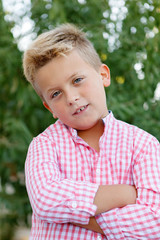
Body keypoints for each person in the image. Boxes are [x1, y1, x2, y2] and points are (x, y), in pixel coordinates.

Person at [23, 23, 160, 239]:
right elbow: (46, 200)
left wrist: (74, 215)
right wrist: (124, 194)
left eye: (77, 80)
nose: (71, 98)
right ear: (49, 107)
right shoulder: (43, 145)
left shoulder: (144, 145)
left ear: (103, 75)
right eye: (56, 94)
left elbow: (155, 222)